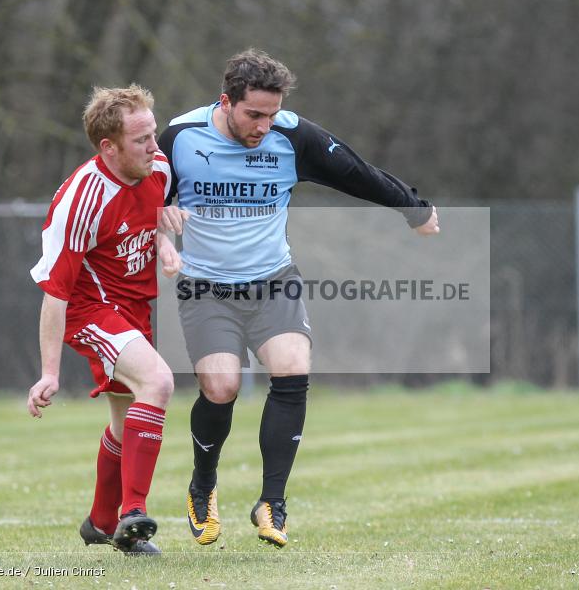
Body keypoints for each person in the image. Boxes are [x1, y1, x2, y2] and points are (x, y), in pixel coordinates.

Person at [158, 48, 439, 548]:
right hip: (207, 287)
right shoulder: (180, 138)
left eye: (272, 113)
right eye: (254, 115)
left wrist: (412, 208)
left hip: (273, 280)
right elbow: (142, 194)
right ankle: (203, 485)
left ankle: (272, 502)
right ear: (226, 101)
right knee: (221, 387)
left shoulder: (293, 136)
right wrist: (158, 225)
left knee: (292, 367)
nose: (264, 125)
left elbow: (357, 172)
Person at [28, 84, 181, 555]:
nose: (155, 146)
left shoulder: (158, 169)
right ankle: (133, 514)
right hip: (88, 310)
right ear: (108, 147)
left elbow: (151, 216)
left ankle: (98, 521)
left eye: (154, 134)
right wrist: (49, 373)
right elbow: (55, 294)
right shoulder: (82, 200)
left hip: (133, 309)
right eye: (142, 140)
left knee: (124, 422)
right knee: (157, 382)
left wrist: (165, 240)